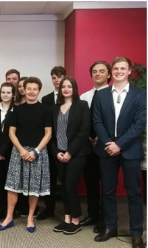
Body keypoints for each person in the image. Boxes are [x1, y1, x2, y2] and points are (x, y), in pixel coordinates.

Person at [93, 57, 146, 248]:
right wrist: (109, 143)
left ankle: (136, 234)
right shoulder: (101, 95)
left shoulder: (140, 95)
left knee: (134, 193)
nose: (118, 71)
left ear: (129, 71)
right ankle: (110, 227)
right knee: (107, 191)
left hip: (130, 150)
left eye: (122, 68)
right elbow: (97, 121)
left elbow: (139, 124)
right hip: (106, 150)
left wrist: (119, 144)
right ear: (111, 72)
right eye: (115, 68)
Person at [0, 77, 51, 233]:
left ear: (39, 91)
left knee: (34, 187)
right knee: (12, 187)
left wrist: (35, 151)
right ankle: (8, 217)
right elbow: (11, 133)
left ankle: (30, 218)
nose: (32, 91)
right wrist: (21, 150)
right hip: (18, 152)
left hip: (38, 153)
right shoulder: (17, 110)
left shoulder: (45, 110)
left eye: (35, 89)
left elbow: (48, 134)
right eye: (29, 89)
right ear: (24, 90)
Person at [51, 76, 92, 235]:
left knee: (70, 186)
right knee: (64, 187)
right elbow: (51, 134)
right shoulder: (55, 108)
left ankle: (75, 219)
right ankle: (67, 218)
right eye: (63, 87)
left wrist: (69, 152)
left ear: (74, 88)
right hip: (59, 154)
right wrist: (57, 152)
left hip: (77, 154)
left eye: (69, 86)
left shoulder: (82, 105)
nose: (66, 89)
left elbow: (84, 132)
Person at [79, 61, 112, 233]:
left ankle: (105, 220)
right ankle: (92, 214)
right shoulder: (84, 96)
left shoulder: (113, 95)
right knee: (91, 182)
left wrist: (100, 139)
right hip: (88, 147)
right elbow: (81, 123)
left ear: (109, 75)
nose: (97, 74)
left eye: (102, 71)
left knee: (106, 185)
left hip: (106, 146)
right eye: (94, 71)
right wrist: (90, 139)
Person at [38, 66, 66, 221]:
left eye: (60, 77)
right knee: (49, 178)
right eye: (54, 77)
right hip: (49, 143)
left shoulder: (72, 97)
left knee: (66, 180)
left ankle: (67, 212)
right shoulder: (46, 99)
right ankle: (49, 208)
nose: (57, 80)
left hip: (65, 145)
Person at [0, 82, 15, 222]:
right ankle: (0, 209)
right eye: (3, 92)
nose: (5, 95)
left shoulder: (17, 111)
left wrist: (3, 151)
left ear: (13, 95)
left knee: (11, 182)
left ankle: (11, 210)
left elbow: (14, 134)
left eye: (8, 92)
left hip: (11, 152)